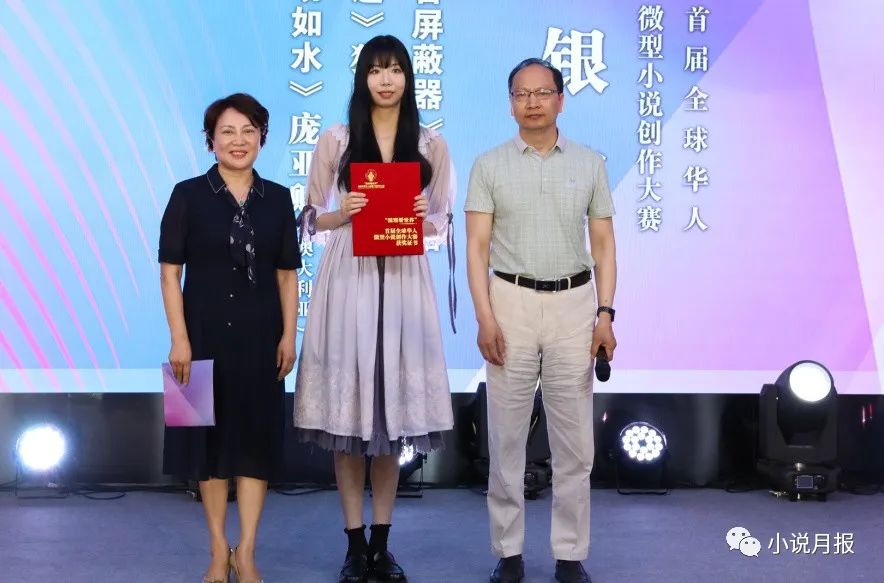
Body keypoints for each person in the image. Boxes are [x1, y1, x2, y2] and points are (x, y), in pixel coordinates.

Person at [293, 34, 454, 583]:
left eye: (396, 70)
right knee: (349, 424)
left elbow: (442, 223)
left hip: (404, 278)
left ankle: (382, 545)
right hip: (349, 277)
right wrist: (344, 212)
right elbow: (310, 217)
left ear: (409, 78)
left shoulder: (430, 144)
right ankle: (354, 546)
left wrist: (423, 215)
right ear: (362, 78)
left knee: (390, 423)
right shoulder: (337, 139)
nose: (386, 80)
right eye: (376, 70)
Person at [464, 58, 618, 583]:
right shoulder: (488, 165)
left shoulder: (590, 163)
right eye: (521, 94)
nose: (532, 102)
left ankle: (570, 554)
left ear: (560, 100)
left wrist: (605, 314)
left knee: (574, 441)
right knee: (506, 438)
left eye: (542, 92)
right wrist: (485, 317)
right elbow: (476, 248)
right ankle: (508, 553)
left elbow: (603, 245)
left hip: (574, 304)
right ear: (510, 104)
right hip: (509, 302)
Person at [159, 93, 300, 583]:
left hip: (261, 339)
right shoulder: (186, 195)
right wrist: (179, 338)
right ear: (211, 140)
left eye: (248, 131)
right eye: (227, 132)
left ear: (262, 137)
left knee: (255, 447)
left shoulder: (278, 198)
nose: (238, 141)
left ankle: (249, 551)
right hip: (199, 338)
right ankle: (219, 549)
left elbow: (287, 275)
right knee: (207, 448)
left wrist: (289, 336)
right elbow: (169, 273)